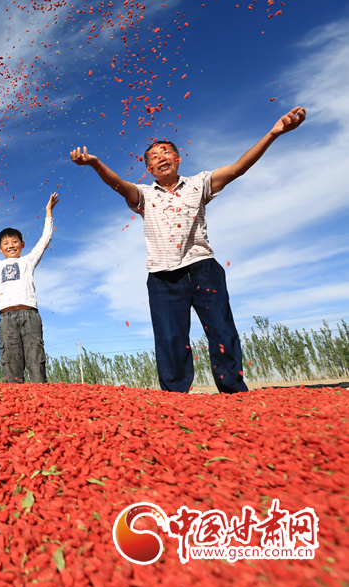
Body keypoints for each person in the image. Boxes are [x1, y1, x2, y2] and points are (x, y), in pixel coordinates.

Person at [69, 106, 306, 393]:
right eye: (154, 157)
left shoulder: (199, 184)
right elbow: (118, 185)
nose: (161, 158)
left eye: (166, 152)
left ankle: (233, 391)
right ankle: (175, 398)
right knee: (170, 337)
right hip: (163, 275)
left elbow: (237, 168)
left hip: (203, 267)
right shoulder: (144, 195)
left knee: (221, 329)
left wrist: (273, 133)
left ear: (178, 159)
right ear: (149, 169)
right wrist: (95, 164)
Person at [0, 192, 59, 384]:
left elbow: (45, 239)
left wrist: (48, 211)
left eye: (15, 242)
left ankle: (41, 402)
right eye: (6, 243)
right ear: (0, 249)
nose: (11, 245)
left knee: (36, 363)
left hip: (30, 315)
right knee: (11, 364)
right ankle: (15, 405)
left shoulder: (28, 260)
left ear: (22, 245)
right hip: (6, 318)